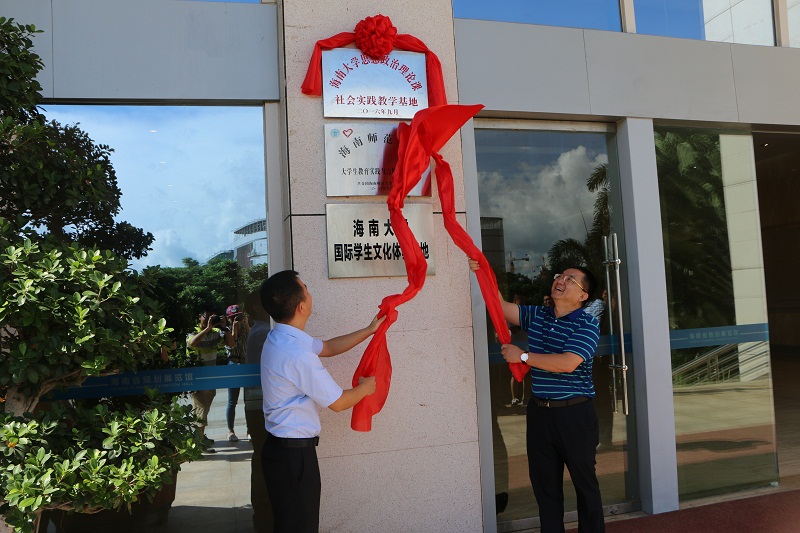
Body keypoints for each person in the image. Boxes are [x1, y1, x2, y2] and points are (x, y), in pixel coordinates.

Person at [470, 261, 605, 533]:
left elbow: (567, 363)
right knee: (545, 488)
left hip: (575, 415)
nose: (561, 280)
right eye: (560, 276)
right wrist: (482, 270)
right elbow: (501, 307)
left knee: (585, 485)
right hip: (540, 414)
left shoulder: (587, 324)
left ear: (583, 295)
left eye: (570, 279)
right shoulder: (538, 315)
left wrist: (523, 356)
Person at [258, 270, 383, 533]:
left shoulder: (281, 337)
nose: (309, 292)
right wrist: (366, 387)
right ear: (301, 307)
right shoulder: (296, 353)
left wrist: (369, 330)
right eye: (306, 287)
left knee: (291, 524)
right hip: (293, 459)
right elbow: (338, 402)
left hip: (283, 453)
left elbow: (326, 347)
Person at [243, 290, 273, 533]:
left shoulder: (259, 331)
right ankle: (264, 516)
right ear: (256, 307)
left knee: (261, 458)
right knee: (264, 460)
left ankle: (263, 515)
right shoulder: (264, 333)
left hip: (257, 405)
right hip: (260, 406)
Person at [187, 309, 233, 453]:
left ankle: (200, 437)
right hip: (197, 378)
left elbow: (231, 344)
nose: (209, 320)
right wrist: (207, 328)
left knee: (204, 409)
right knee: (201, 409)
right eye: (206, 317)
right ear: (199, 317)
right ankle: (199, 443)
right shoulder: (193, 332)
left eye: (211, 318)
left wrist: (225, 328)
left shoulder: (216, 333)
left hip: (211, 378)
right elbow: (192, 343)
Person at [225, 303, 249, 443]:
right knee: (232, 401)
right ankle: (231, 431)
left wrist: (246, 323)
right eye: (233, 317)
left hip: (245, 362)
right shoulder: (225, 330)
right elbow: (232, 343)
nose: (236, 319)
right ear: (228, 318)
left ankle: (249, 430)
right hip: (233, 364)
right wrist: (234, 327)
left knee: (249, 399)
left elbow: (251, 337)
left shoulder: (245, 327)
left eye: (238, 316)